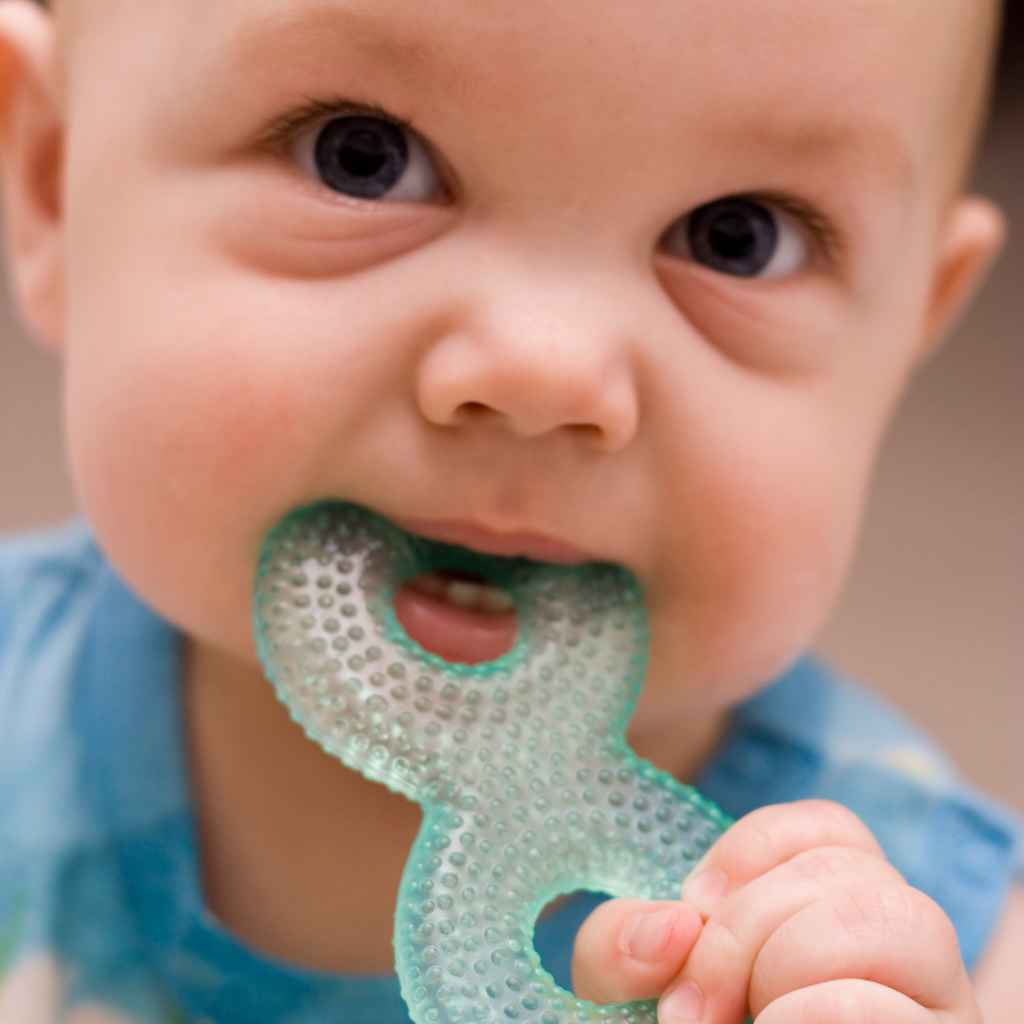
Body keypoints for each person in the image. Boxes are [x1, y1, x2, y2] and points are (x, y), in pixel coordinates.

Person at [0, 0, 1020, 1020]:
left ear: (905, 333)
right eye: (362, 156)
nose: (547, 371)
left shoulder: (959, 959)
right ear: (50, 176)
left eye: (736, 238)